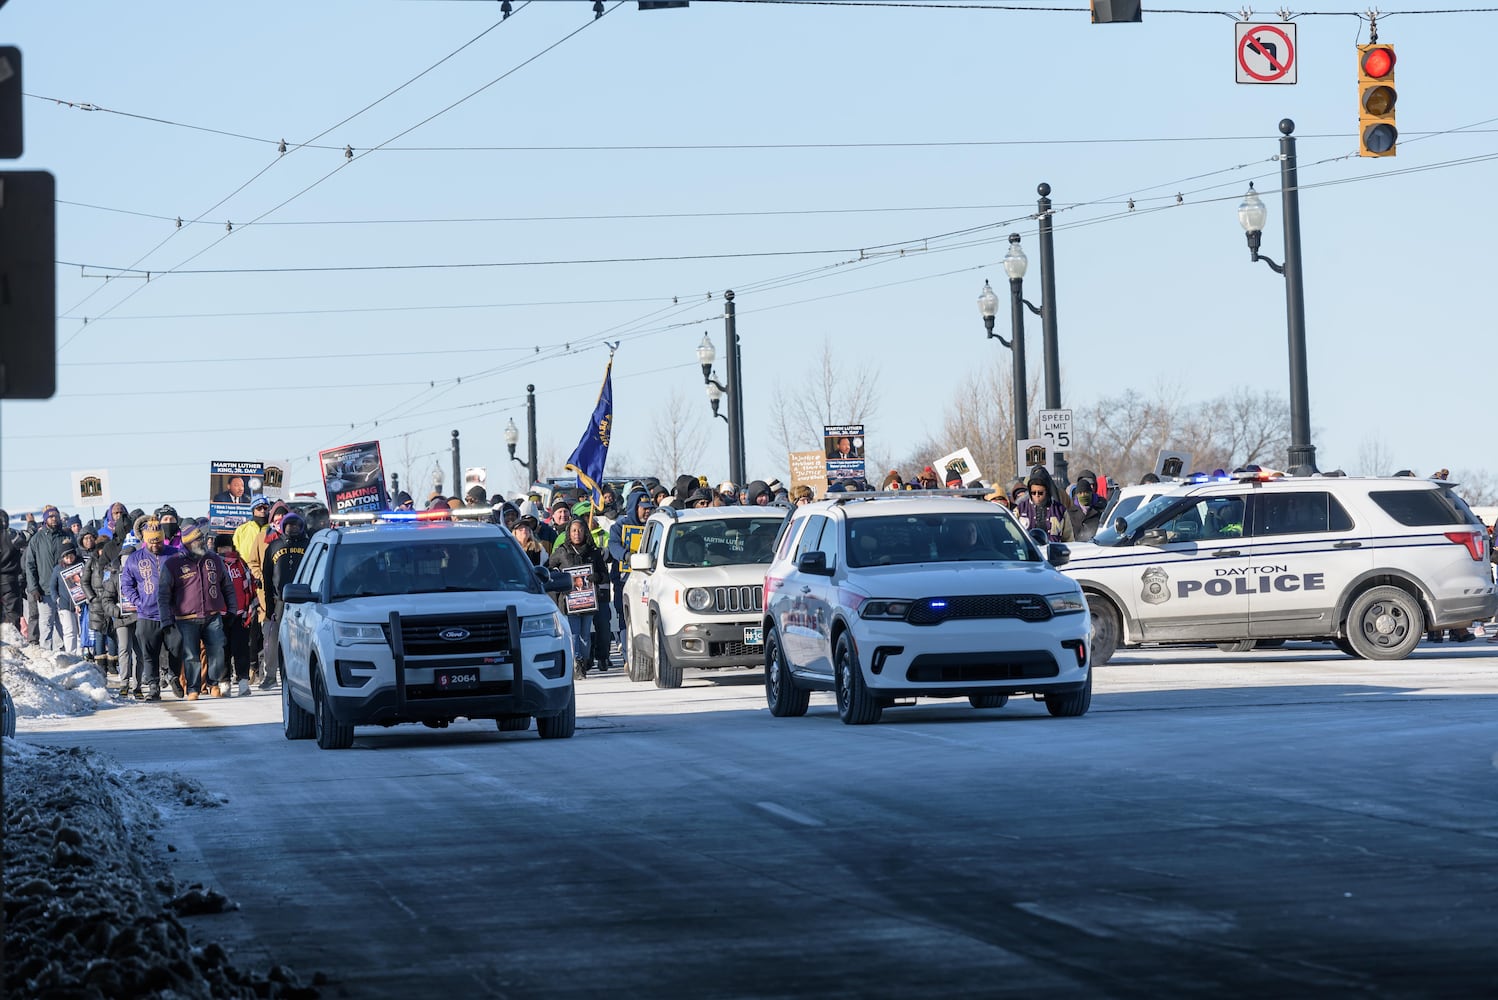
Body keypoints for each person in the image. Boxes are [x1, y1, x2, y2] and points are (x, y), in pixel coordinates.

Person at [159, 522, 238, 699]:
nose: (202, 542)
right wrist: (166, 620)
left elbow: (227, 586)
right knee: (191, 656)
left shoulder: (214, 559)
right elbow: (163, 595)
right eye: (197, 539)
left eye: (202, 538)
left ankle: (213, 683)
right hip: (186, 618)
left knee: (218, 649)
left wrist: (232, 609)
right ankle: (193, 689)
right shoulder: (173, 564)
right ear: (187, 543)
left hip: (212, 615)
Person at [549, 519, 610, 677]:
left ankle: (584, 659)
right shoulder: (562, 551)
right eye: (574, 530)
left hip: (588, 600)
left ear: (585, 532)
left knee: (585, 635)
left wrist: (596, 577)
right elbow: (548, 568)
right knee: (573, 633)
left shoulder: (593, 552)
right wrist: (559, 577)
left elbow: (604, 575)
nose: (577, 534)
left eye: (580, 530)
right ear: (569, 533)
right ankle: (576, 663)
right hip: (569, 601)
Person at [120, 521, 172, 700]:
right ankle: (153, 687)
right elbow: (126, 584)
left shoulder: (174, 555)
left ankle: (172, 674)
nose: (155, 545)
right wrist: (137, 601)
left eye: (158, 541)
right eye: (151, 541)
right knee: (149, 653)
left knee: (177, 647)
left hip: (171, 612)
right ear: (145, 540)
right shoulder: (135, 559)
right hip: (146, 613)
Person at [259, 512, 308, 689]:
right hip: (278, 600)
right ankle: (270, 675)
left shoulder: (308, 544)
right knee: (271, 638)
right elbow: (266, 576)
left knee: (300, 639)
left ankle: (300, 676)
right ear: (283, 527)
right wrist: (269, 605)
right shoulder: (273, 546)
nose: (292, 528)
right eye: (289, 525)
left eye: (296, 525)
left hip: (303, 600)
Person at [23, 505, 73, 651]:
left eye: (56, 516)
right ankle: (46, 654)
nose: (54, 519)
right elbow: (30, 565)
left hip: (64, 590)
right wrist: (33, 588)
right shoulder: (36, 539)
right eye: (50, 517)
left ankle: (64, 654)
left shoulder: (65, 536)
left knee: (64, 625)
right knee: (46, 625)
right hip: (44, 591)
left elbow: (76, 560)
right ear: (45, 519)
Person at [215, 532, 257, 695]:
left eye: (227, 546)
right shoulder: (214, 564)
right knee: (223, 650)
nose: (224, 550)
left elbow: (250, 586)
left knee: (241, 650)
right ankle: (224, 682)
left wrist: (249, 609)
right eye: (221, 547)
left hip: (240, 614)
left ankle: (243, 683)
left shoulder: (241, 564)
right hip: (221, 614)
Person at [1060, 477, 1106, 543]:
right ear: (1077, 495)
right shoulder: (1069, 511)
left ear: (1091, 493)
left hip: (1096, 546)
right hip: (1076, 547)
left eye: (1086, 492)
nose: (1083, 495)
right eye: (1080, 493)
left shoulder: (1101, 508)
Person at [0, 509, 24, 627]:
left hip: (9, 578)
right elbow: (24, 540)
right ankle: (14, 641)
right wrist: (31, 524)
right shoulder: (11, 535)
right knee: (13, 613)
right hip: (9, 579)